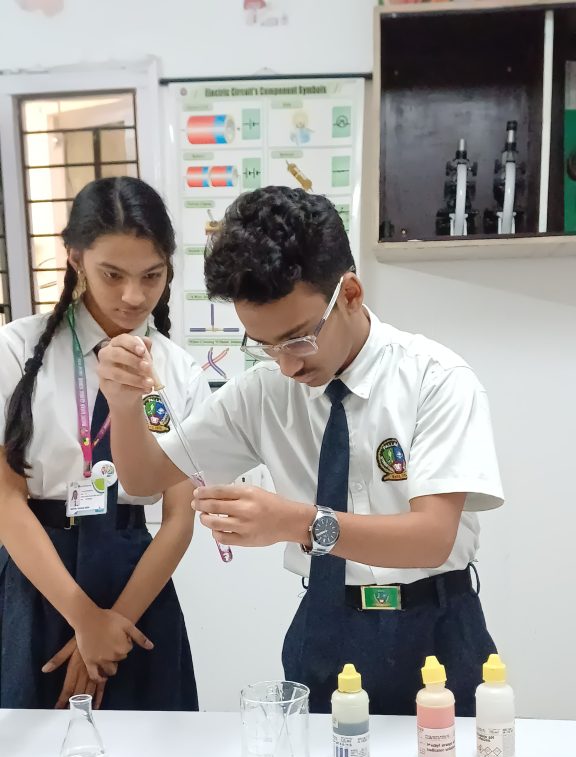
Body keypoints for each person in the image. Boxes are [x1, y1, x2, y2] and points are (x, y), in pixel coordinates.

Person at [97, 185, 504, 715]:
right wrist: (124, 403)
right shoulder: (262, 393)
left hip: (439, 627)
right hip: (324, 625)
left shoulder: (435, 379)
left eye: (298, 338)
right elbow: (143, 479)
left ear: (350, 294)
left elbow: (431, 538)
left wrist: (296, 523)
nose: (287, 365)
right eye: (265, 345)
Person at [0, 176, 210, 710]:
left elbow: (179, 518)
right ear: (75, 259)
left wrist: (114, 622)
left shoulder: (179, 372)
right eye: (112, 275)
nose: (133, 296)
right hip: (39, 581)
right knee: (33, 744)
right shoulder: (15, 351)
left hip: (137, 588)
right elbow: (6, 500)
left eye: (152, 276)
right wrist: (84, 619)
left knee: (154, 747)